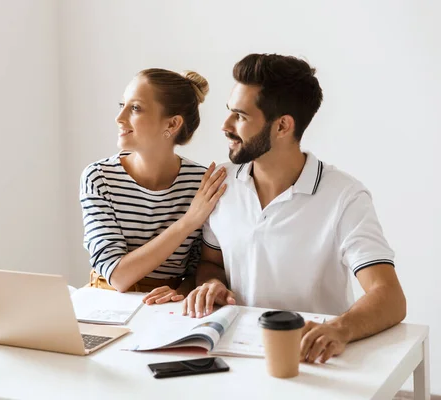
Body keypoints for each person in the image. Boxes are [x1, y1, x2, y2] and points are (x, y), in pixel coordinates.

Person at [182, 54, 406, 364]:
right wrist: (213, 285)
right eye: (228, 112)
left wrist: (339, 329)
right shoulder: (221, 185)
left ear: (283, 126)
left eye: (240, 116)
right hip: (234, 355)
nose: (225, 125)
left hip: (312, 359)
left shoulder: (345, 196)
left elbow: (389, 296)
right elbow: (211, 263)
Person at [79, 68, 227, 305]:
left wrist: (180, 292)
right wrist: (189, 221)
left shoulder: (201, 183)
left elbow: (198, 269)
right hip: (104, 302)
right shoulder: (99, 177)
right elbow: (117, 276)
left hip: (166, 306)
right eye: (122, 105)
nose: (120, 117)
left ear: (173, 123)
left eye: (135, 108)